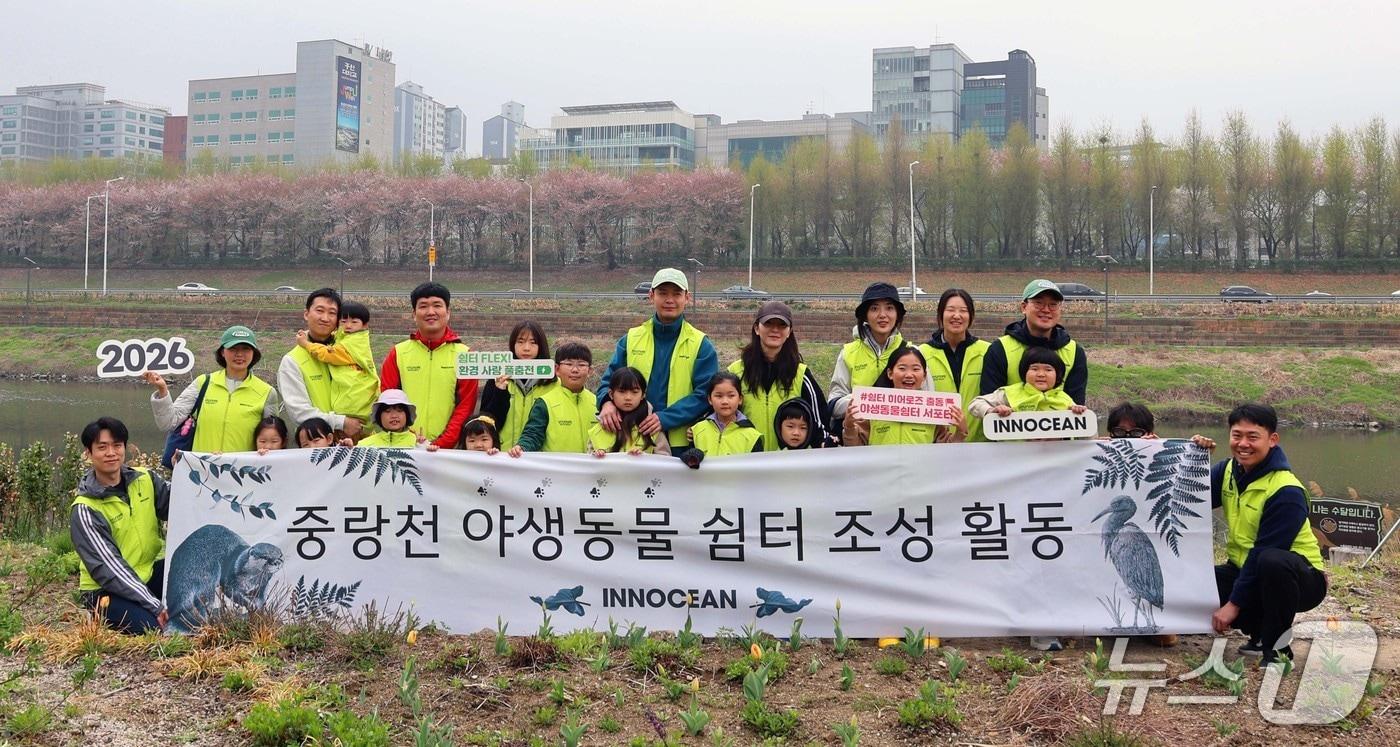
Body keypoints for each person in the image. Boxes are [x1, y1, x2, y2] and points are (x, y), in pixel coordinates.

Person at [1195, 403, 1327, 667]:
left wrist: (1232, 605)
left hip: (1301, 579)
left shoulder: (1287, 491)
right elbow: (1185, 498)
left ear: (1272, 440)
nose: (1243, 444)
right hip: (1246, 571)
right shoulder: (1227, 471)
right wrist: (1188, 455)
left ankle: (1277, 650)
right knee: (1195, 585)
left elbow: (1262, 554)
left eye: (1252, 437)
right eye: (1236, 435)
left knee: (1271, 562)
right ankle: (1258, 630)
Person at [596, 268, 719, 451]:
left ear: (687, 297)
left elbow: (705, 394)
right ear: (651, 295)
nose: (669, 300)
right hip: (633, 442)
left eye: (676, 294)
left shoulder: (701, 344)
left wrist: (665, 418)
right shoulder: (630, 339)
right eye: (662, 293)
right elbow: (608, 381)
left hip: (682, 444)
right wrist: (606, 402)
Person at [71, 417, 169, 634]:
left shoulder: (145, 479)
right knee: (154, 628)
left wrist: (203, 465)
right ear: (88, 453)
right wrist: (155, 605)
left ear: (125, 448)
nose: (111, 453)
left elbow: (185, 503)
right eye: (102, 447)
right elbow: (110, 570)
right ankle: (95, 615)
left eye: (117, 445)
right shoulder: (85, 508)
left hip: (147, 573)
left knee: (192, 578)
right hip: (106, 590)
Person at [146, 325, 281, 453]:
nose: (239, 354)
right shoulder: (202, 383)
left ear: (254, 353)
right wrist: (163, 391)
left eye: (246, 349)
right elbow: (168, 422)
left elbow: (272, 440)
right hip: (203, 472)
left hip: (243, 473)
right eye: (233, 349)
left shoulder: (267, 392)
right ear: (222, 352)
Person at [380, 283, 479, 449]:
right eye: (423, 306)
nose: (430, 312)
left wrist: (442, 443)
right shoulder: (398, 353)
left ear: (447, 312)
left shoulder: (465, 355)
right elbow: (387, 401)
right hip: (404, 446)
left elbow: (466, 406)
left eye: (437, 305)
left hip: (448, 450)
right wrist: (409, 439)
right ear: (414, 314)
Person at [728, 301, 832, 452]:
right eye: (768, 323)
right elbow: (719, 414)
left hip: (787, 465)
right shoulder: (735, 372)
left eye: (782, 325)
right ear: (757, 328)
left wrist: (825, 442)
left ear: (789, 331)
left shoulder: (801, 374)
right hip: (747, 462)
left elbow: (819, 420)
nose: (775, 330)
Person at [981, 279, 1088, 406]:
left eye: (1053, 305)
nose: (1046, 310)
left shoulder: (1075, 352)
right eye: (1038, 303)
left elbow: (1077, 404)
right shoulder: (1000, 349)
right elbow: (989, 404)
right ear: (1024, 307)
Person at [829, 282, 910, 439]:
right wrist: (869, 401)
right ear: (865, 314)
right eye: (874, 308)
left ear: (897, 314)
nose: (882, 315)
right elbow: (834, 404)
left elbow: (926, 400)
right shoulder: (848, 353)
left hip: (900, 443)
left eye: (889, 308)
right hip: (859, 443)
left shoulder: (912, 353)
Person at [280, 288, 364, 438]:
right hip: (316, 446)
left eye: (332, 313)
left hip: (357, 440)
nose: (325, 318)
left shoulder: (350, 349)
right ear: (306, 314)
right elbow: (299, 412)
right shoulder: (292, 361)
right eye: (320, 310)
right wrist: (341, 422)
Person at [843, 345, 966, 446]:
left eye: (916, 369)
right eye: (902, 368)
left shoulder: (934, 411)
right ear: (890, 373)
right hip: (880, 474)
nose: (909, 375)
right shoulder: (873, 406)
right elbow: (855, 447)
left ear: (924, 376)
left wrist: (961, 432)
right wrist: (849, 427)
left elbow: (946, 451)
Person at [920, 289, 991, 442]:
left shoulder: (987, 351)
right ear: (940, 315)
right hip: (937, 446)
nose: (957, 316)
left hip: (980, 445)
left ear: (971, 316)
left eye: (963, 311)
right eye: (950, 310)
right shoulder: (921, 354)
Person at [294, 300, 379, 426]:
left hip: (354, 404)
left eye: (354, 322)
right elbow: (337, 335)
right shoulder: (349, 336)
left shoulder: (354, 343)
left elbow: (329, 354)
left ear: (365, 325)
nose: (348, 326)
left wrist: (306, 344)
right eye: (343, 322)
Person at [510, 342, 598, 456]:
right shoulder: (544, 403)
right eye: (569, 364)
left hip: (591, 472)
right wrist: (522, 447)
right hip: (556, 473)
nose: (575, 370)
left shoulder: (598, 403)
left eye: (581, 365)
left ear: (590, 371)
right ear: (557, 369)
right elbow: (533, 435)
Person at [480, 321, 557, 450]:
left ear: (541, 346)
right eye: (520, 342)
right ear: (513, 344)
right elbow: (486, 422)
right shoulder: (497, 379)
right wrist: (500, 392)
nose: (526, 348)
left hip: (539, 458)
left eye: (533, 342)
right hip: (502, 456)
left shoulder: (553, 383)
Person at [968, 347, 1086, 420]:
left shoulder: (1065, 399)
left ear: (1058, 375)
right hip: (1016, 458)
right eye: (1034, 369)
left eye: (1048, 370)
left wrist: (1078, 412)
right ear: (1025, 372)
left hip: (1055, 458)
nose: (1041, 374)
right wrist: (991, 411)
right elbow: (975, 404)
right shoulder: (1009, 393)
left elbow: (1086, 432)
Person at [678, 372, 763, 468]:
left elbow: (755, 473)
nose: (725, 401)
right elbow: (691, 466)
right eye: (718, 396)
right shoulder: (697, 430)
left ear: (740, 399)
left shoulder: (752, 436)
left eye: (731, 396)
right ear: (710, 399)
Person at [589, 367, 670, 457]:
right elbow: (588, 464)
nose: (628, 397)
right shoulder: (599, 429)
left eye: (634, 392)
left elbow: (665, 461)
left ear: (643, 395)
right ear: (611, 394)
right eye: (622, 391)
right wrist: (596, 456)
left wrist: (644, 458)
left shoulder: (652, 428)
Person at [359, 389, 430, 449]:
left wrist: (426, 449)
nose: (394, 415)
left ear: (407, 414)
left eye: (399, 410)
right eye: (387, 411)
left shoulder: (419, 444)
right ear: (379, 415)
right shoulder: (364, 445)